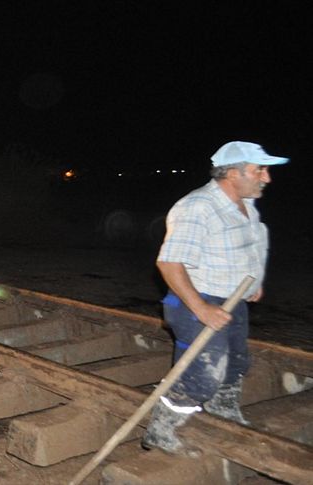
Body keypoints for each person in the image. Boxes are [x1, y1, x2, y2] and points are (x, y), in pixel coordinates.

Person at [142, 141, 288, 454]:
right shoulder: (197, 207)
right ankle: (160, 428)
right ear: (233, 174)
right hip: (196, 301)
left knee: (235, 362)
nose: (267, 177)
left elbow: (251, 246)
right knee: (202, 376)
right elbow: (169, 263)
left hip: (232, 299)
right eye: (259, 170)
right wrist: (202, 308)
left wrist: (255, 281)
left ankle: (223, 408)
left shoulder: (246, 206)